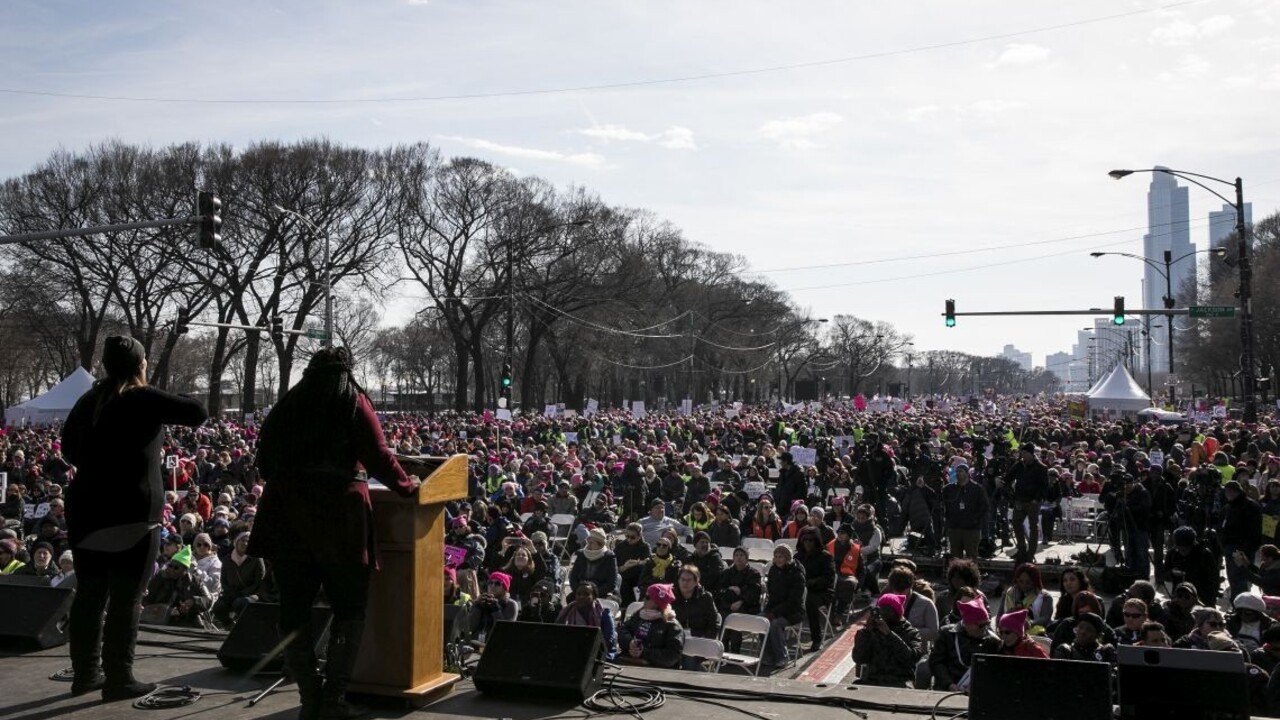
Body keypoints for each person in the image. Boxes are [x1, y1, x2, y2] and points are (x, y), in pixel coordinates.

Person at [248, 347, 420, 720]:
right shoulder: (352, 401)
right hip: (338, 518)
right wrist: (409, 487)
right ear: (348, 371)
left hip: (287, 516)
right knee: (349, 608)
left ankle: (309, 698)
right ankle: (333, 698)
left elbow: (264, 460)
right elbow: (378, 454)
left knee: (294, 609)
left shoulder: (288, 406)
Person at [61, 335, 209, 700]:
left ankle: (85, 675)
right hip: (132, 516)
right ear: (141, 364)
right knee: (127, 599)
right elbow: (197, 412)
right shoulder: (140, 398)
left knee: (90, 596)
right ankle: (119, 678)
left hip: (86, 512)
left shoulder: (88, 399)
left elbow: (67, 449)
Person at [852, 594, 924, 687]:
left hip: (900, 681)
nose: (884, 613)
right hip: (873, 680)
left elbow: (911, 659)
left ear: (896, 613)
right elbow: (859, 658)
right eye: (881, 609)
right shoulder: (872, 631)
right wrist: (866, 632)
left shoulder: (911, 632)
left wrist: (890, 635)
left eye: (888, 610)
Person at [928, 598, 999, 692]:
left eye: (987, 624)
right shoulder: (947, 634)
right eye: (981, 625)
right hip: (948, 686)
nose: (985, 628)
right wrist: (948, 684)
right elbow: (937, 662)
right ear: (967, 623)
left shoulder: (992, 641)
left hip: (978, 689)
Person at [142, 546, 212, 628]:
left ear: (185, 570)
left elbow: (208, 599)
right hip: (159, 620)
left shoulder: (195, 581)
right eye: (170, 566)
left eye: (176, 568)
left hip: (186, 621)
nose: (171, 569)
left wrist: (193, 601)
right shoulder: (160, 578)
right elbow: (146, 598)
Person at [761, 543, 807, 670]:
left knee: (775, 623)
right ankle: (768, 655)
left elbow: (793, 601)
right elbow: (772, 595)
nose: (777, 559)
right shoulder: (773, 570)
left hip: (793, 611)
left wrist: (774, 613)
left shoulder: (797, 573)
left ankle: (782, 656)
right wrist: (768, 611)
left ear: (787, 558)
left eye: (780, 556)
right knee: (761, 620)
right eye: (775, 556)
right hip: (776, 608)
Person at [617, 583, 684, 669]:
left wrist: (643, 652)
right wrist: (630, 643)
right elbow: (622, 630)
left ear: (657, 603)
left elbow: (671, 656)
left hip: (656, 670)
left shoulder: (673, 626)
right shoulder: (638, 615)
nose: (643, 600)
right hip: (629, 663)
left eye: (648, 597)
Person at [714, 547, 763, 653]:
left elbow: (754, 593)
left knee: (734, 618)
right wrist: (729, 591)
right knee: (723, 616)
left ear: (747, 558)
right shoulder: (727, 572)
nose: (739, 558)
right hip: (728, 605)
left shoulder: (754, 574)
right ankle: (723, 651)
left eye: (742, 555)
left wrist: (741, 596)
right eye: (736, 555)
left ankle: (735, 651)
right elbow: (719, 590)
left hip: (747, 606)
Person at [213, 532, 265, 627]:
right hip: (232, 593)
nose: (245, 543)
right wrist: (231, 592)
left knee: (240, 603)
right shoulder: (227, 559)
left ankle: (244, 626)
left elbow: (259, 582)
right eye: (242, 540)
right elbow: (223, 581)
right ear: (236, 542)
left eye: (248, 541)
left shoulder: (257, 559)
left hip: (252, 594)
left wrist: (244, 593)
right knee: (218, 607)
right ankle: (229, 625)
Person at [557, 581, 619, 661]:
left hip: (599, 652)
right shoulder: (568, 611)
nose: (581, 597)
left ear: (594, 597)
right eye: (578, 594)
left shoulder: (604, 614)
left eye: (586, 594)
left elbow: (609, 640)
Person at [796, 527, 836, 652]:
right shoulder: (798, 556)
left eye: (811, 540)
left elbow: (828, 578)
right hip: (801, 589)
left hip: (821, 591)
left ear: (816, 541)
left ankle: (816, 638)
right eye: (805, 540)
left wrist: (811, 583)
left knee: (809, 602)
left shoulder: (825, 557)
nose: (807, 543)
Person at [1009, 444, 1049, 563]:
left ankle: (1030, 553)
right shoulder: (1019, 465)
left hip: (1033, 501)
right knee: (1016, 523)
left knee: (1033, 527)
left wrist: (1036, 499)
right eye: (1022, 453)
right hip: (1020, 500)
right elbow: (1009, 477)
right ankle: (1021, 549)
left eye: (1025, 453)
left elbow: (1044, 487)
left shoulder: (1041, 467)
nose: (1023, 455)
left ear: (1031, 453)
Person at [941, 464, 986, 560]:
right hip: (954, 529)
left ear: (967, 473)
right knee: (955, 557)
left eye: (960, 471)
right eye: (956, 471)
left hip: (971, 529)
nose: (957, 474)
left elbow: (984, 507)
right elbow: (941, 504)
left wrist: (975, 520)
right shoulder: (948, 489)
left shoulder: (977, 489)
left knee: (971, 557)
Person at [998, 563, 1053, 630]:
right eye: (1021, 581)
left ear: (1034, 581)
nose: (1024, 585)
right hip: (1008, 632)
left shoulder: (1045, 597)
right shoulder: (1008, 594)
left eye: (1028, 582)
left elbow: (1045, 618)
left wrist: (1029, 624)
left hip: (1035, 633)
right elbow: (999, 616)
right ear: (1017, 580)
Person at [569, 528, 619, 599]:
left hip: (601, 592)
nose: (588, 544)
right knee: (570, 599)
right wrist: (579, 590)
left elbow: (611, 583)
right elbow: (573, 577)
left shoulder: (609, 557)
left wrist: (594, 592)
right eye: (588, 541)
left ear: (600, 544)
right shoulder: (581, 554)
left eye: (591, 542)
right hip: (582, 591)